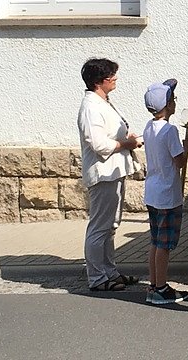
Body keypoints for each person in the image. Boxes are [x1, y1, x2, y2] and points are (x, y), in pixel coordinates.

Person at [77, 58, 142, 292]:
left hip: (113, 171)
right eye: (110, 76)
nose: (114, 79)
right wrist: (126, 143)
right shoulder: (90, 107)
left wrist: (128, 140)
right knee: (99, 227)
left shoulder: (102, 101)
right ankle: (97, 277)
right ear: (98, 82)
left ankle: (110, 271)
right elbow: (98, 144)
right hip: (103, 173)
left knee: (111, 226)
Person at [142, 78, 188, 305]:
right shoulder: (169, 131)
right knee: (164, 244)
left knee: (155, 241)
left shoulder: (148, 127)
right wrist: (187, 148)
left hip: (153, 191)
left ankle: (154, 284)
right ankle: (160, 288)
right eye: (173, 99)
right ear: (168, 105)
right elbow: (178, 161)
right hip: (167, 194)